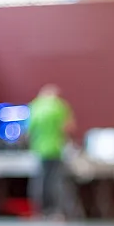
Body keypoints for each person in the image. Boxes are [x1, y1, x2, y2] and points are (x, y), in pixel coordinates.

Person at [26, 84, 75, 218]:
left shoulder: (35, 106)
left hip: (39, 149)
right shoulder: (59, 106)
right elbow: (68, 127)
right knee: (56, 181)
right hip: (55, 149)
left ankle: (38, 211)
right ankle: (56, 212)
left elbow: (28, 131)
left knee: (39, 180)